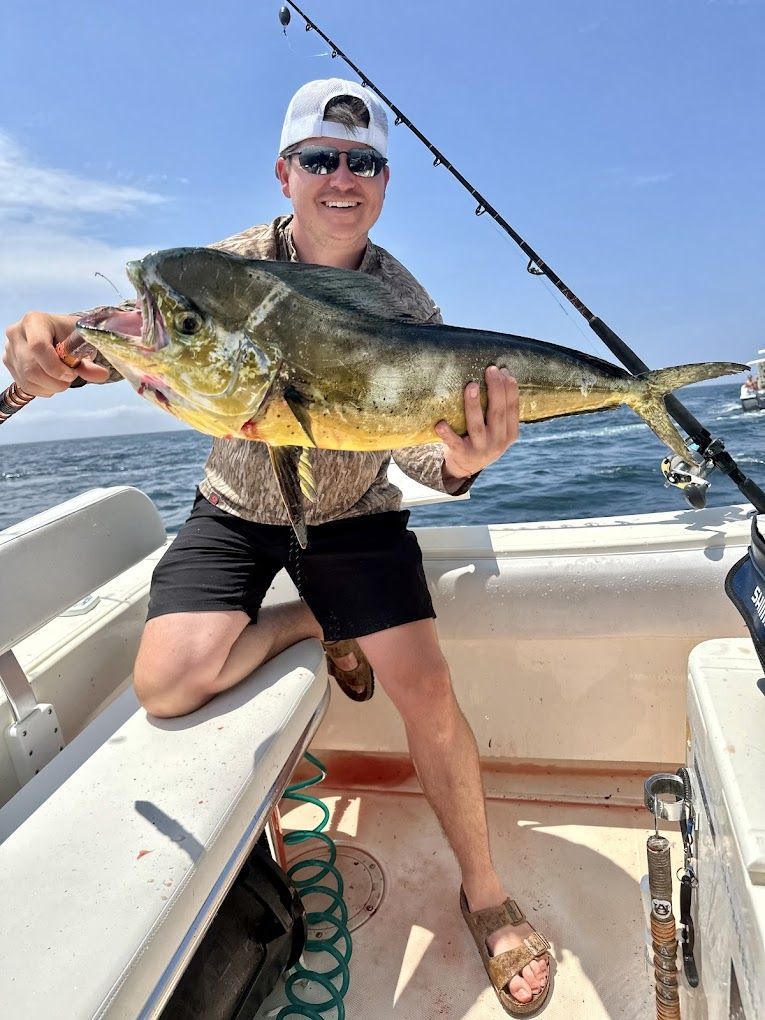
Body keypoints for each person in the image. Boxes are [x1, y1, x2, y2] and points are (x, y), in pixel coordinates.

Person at [3, 79, 551, 1015]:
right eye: (320, 159)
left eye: (363, 162)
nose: (342, 178)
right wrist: (46, 344)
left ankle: (488, 894)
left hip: (352, 513)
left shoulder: (404, 304)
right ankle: (312, 626)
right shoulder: (219, 272)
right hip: (237, 505)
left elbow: (419, 444)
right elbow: (118, 341)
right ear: (285, 173)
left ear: (382, 182)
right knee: (167, 683)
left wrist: (462, 465)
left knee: (424, 687)